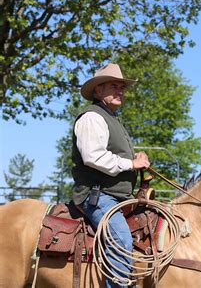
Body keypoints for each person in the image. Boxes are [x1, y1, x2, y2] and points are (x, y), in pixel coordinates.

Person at [71, 63, 150, 287]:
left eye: (122, 87)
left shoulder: (112, 118)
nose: (120, 91)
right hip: (97, 195)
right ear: (98, 91)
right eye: (114, 86)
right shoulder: (91, 117)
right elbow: (93, 157)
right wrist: (132, 164)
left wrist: (137, 162)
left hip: (117, 197)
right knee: (121, 239)